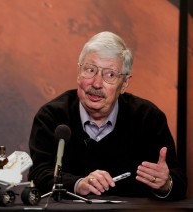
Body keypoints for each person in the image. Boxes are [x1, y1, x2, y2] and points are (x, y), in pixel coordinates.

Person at [28, 31, 187, 200]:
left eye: (110, 75)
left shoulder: (148, 118)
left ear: (124, 83)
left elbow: (178, 182)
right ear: (78, 72)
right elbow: (38, 174)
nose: (96, 83)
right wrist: (78, 184)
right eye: (90, 70)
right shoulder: (52, 116)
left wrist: (165, 184)